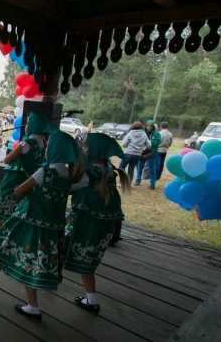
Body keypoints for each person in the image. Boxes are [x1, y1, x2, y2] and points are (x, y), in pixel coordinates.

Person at [0, 130, 83, 322]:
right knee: (15, 252)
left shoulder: (45, 171)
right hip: (52, 229)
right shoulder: (68, 175)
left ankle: (32, 306)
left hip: (30, 223)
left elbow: (20, 190)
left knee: (22, 257)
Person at [64, 133, 130, 315]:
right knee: (88, 260)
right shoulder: (109, 172)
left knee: (62, 246)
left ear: (93, 150)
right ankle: (91, 298)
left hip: (85, 224)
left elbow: (67, 188)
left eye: (85, 147)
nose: (83, 150)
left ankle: (48, 278)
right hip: (104, 227)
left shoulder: (87, 173)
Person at [0, 113, 54, 253]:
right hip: (28, 180)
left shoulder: (26, 142)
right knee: (15, 211)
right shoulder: (43, 142)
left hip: (14, 180)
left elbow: (8, 159)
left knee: (0, 208)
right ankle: (9, 242)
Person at [135, 120, 161, 190]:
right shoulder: (143, 133)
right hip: (142, 153)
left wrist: (149, 142)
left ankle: (152, 183)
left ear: (152, 126)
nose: (149, 127)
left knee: (152, 169)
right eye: (147, 126)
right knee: (140, 167)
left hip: (152, 153)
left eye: (150, 126)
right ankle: (138, 180)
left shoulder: (156, 134)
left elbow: (158, 142)